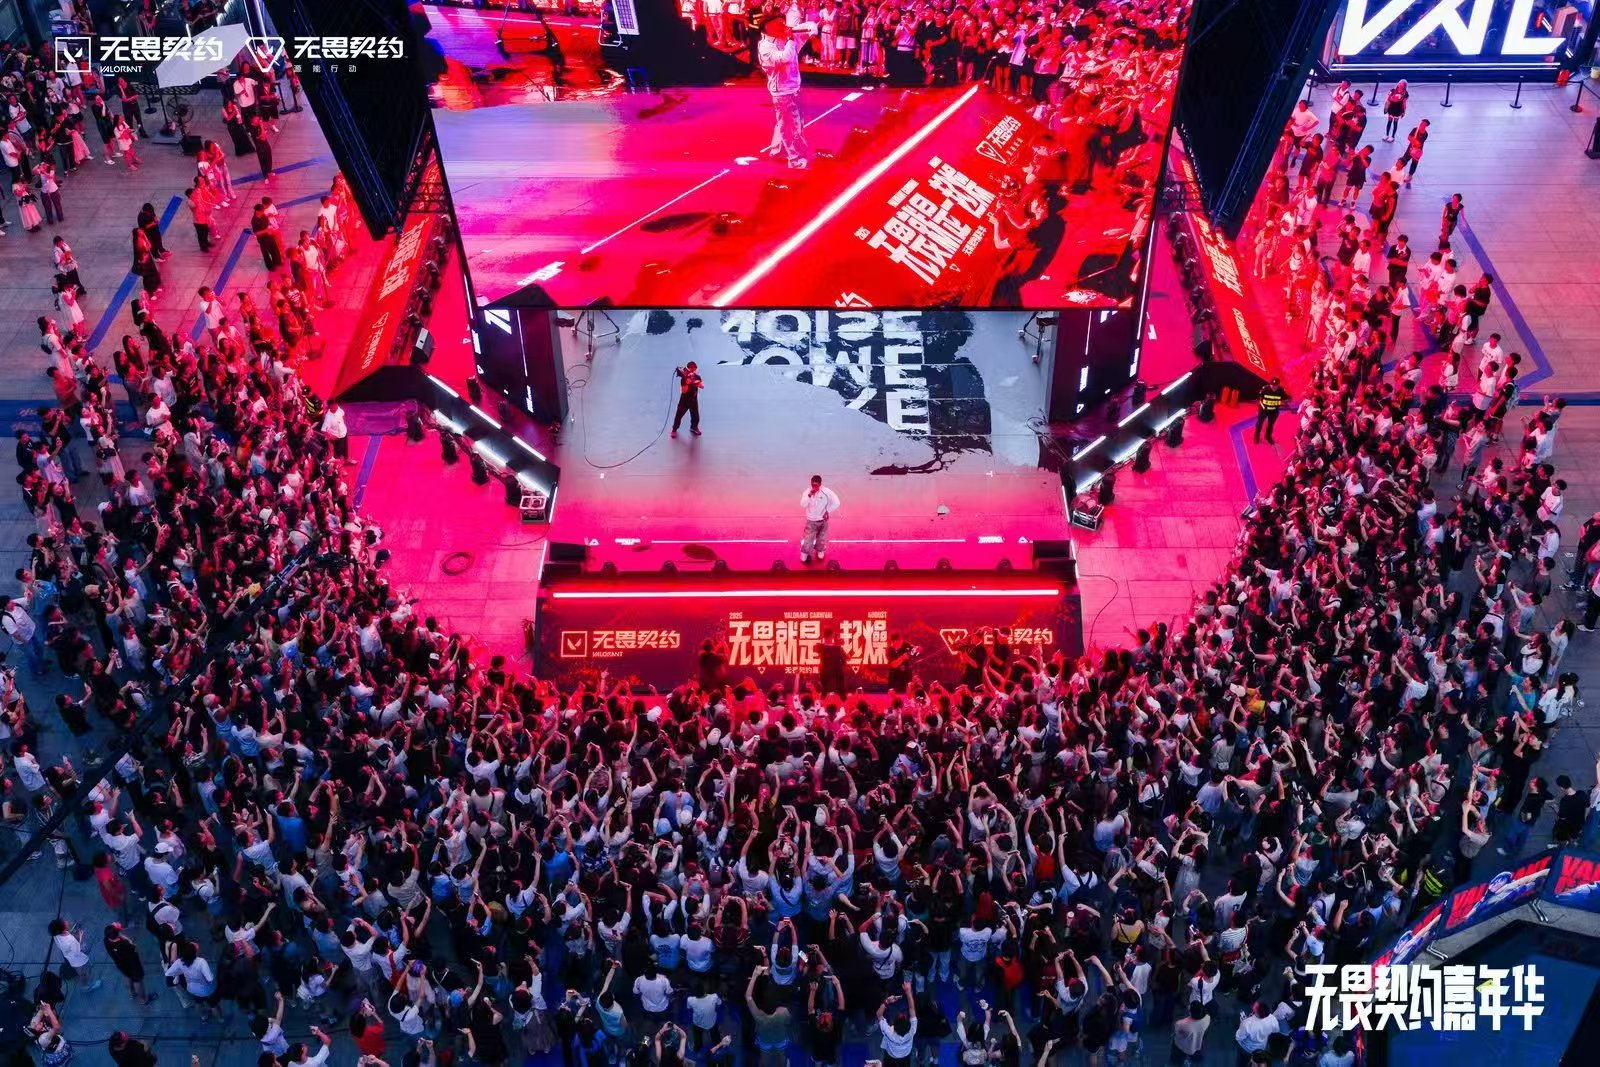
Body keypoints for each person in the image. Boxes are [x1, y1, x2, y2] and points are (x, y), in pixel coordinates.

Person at [758, 16, 813, 169]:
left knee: (786, 123)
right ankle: (795, 160)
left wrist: (804, 30)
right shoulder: (765, 47)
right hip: (782, 92)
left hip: (793, 88)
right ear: (767, 27)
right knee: (790, 127)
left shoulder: (784, 39)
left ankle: (777, 151)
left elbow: (811, 27)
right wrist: (790, 39)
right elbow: (785, 58)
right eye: (779, 23)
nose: (783, 26)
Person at [799, 474, 840, 563]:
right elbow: (803, 504)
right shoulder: (807, 492)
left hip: (823, 520)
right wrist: (809, 495)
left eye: (816, 485)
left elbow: (837, 502)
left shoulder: (827, 492)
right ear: (810, 483)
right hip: (811, 520)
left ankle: (820, 550)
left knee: (822, 537)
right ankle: (805, 553)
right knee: (808, 538)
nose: (814, 487)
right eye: (812, 485)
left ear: (820, 484)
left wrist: (828, 511)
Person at [671, 361, 704, 438]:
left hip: (693, 400)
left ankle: (694, 428)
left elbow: (702, 386)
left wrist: (696, 383)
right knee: (679, 415)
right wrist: (687, 383)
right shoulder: (684, 379)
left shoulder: (697, 377)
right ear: (688, 368)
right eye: (691, 368)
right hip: (684, 401)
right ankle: (674, 430)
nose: (693, 370)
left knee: (695, 416)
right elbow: (684, 391)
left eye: (694, 368)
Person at [1253, 378, 1287, 444]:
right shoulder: (1265, 389)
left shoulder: (1281, 390)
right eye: (1272, 385)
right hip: (1264, 410)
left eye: (1275, 385)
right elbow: (1260, 396)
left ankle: (1268, 436)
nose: (1273, 387)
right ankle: (1256, 436)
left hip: (1274, 411)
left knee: (1271, 424)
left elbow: (1285, 397)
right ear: (1270, 384)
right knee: (1259, 423)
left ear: (1278, 385)